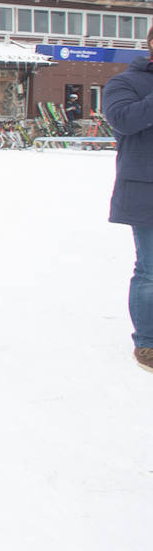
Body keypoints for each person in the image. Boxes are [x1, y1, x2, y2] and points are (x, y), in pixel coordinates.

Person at [101, 30, 153, 373]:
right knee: (151, 270)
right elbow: (123, 120)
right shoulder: (124, 83)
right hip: (146, 190)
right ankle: (148, 342)